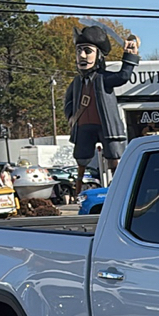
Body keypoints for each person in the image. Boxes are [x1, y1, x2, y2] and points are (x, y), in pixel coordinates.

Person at [65, 24, 140, 194]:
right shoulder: (76, 83)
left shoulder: (104, 78)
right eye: (79, 51)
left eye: (87, 51)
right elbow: (68, 102)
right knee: (81, 160)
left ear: (98, 55)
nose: (82, 56)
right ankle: (78, 192)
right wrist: (70, 117)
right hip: (83, 127)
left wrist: (130, 55)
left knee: (114, 158)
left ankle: (119, 191)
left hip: (107, 127)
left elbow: (123, 76)